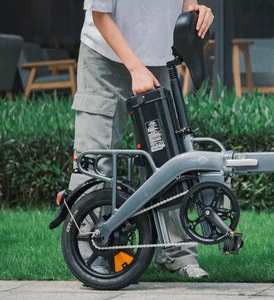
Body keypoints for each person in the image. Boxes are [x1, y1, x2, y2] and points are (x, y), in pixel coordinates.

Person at [68, 0, 214, 278]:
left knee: (168, 158)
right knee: (97, 156)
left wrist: (198, 13)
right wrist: (135, 68)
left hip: (160, 58)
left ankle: (177, 253)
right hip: (104, 57)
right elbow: (100, 16)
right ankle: (91, 252)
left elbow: (187, 4)